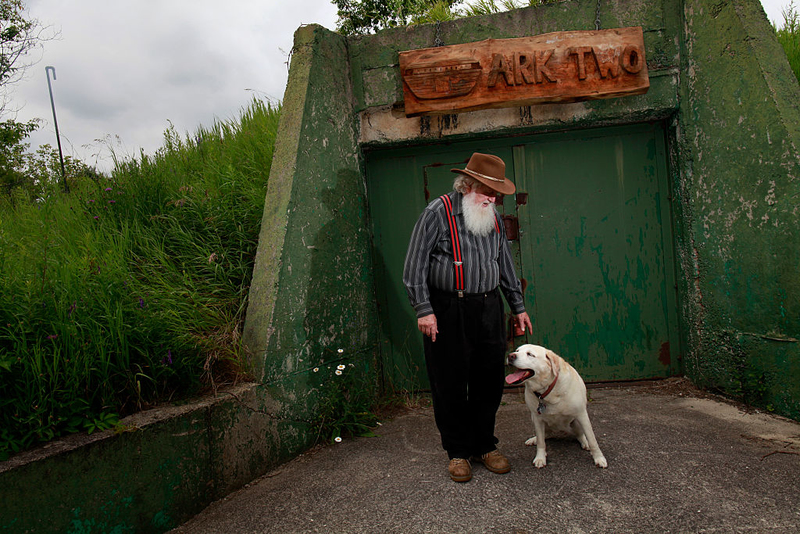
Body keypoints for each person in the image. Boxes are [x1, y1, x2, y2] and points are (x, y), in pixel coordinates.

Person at [403, 152, 533, 483]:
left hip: (488, 308)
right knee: (448, 382)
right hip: (447, 309)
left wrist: (517, 306)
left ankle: (484, 445)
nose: (493, 198)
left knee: (488, 381)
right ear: (468, 185)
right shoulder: (438, 212)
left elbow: (504, 263)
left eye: (497, 193)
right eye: (488, 191)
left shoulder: (492, 216)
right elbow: (415, 264)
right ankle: (458, 451)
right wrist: (424, 309)